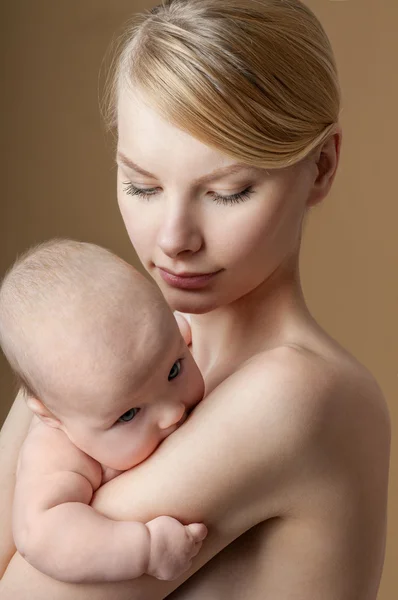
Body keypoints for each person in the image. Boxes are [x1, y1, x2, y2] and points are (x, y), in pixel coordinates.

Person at [0, 1, 391, 598]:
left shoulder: (301, 397)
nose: (173, 239)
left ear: (322, 166)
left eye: (229, 192)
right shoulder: (91, 350)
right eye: (142, 184)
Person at [0, 239, 207, 584]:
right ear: (51, 417)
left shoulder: (153, 346)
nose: (172, 412)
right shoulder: (56, 455)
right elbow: (42, 534)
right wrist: (145, 549)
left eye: (174, 370)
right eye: (128, 414)